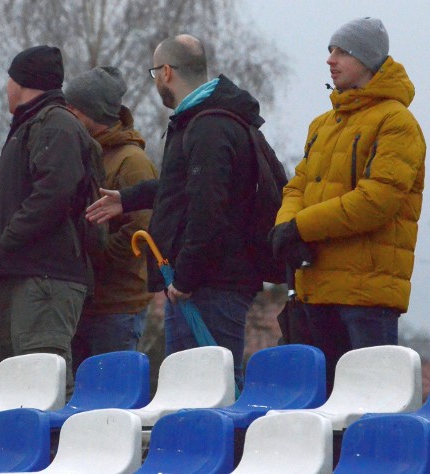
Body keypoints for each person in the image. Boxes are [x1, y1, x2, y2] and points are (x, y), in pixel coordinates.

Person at [86, 34, 268, 389]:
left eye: (154, 72)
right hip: (203, 282)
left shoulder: (209, 127)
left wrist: (184, 277)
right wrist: (127, 199)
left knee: (215, 389)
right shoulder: (201, 121)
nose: (155, 81)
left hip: (211, 285)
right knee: (187, 389)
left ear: (166, 72)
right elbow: (182, 187)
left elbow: (208, 210)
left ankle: (227, 448)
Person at [269, 17, 425, 394]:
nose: (330, 59)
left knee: (372, 410)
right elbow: (297, 186)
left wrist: (299, 228)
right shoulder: (322, 124)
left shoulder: (397, 123)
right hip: (316, 289)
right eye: (329, 51)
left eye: (341, 51)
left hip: (366, 298)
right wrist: (285, 228)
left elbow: (376, 201)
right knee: (320, 414)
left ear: (368, 60)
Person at [0, 46, 96, 396]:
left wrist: (8, 238)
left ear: (20, 82)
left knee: (41, 382)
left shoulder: (56, 125)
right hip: (27, 275)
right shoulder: (33, 127)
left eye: (9, 79)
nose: (6, 87)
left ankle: (54, 451)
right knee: (18, 384)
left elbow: (55, 193)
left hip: (46, 278)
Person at [64, 66, 158, 370]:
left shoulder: (132, 162)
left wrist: (96, 257)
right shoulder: (86, 153)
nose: (68, 114)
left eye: (75, 109)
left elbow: (141, 230)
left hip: (118, 306)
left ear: (94, 112)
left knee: (111, 398)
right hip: (88, 303)